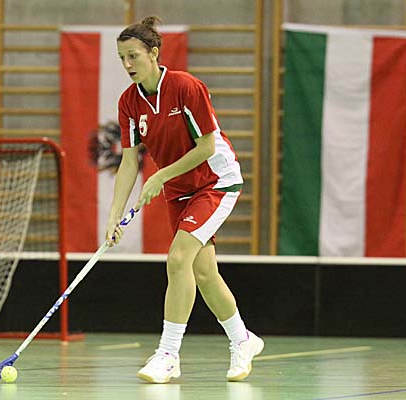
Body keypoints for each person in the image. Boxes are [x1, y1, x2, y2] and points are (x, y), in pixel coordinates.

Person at [105, 16, 264, 384]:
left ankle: (168, 354)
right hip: (180, 191)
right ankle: (243, 340)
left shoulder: (185, 87)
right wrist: (113, 216)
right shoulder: (129, 102)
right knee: (204, 273)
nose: (127, 64)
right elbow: (129, 161)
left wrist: (160, 175)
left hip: (215, 182)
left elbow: (206, 147)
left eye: (133, 56)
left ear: (153, 53)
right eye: (122, 58)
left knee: (178, 259)